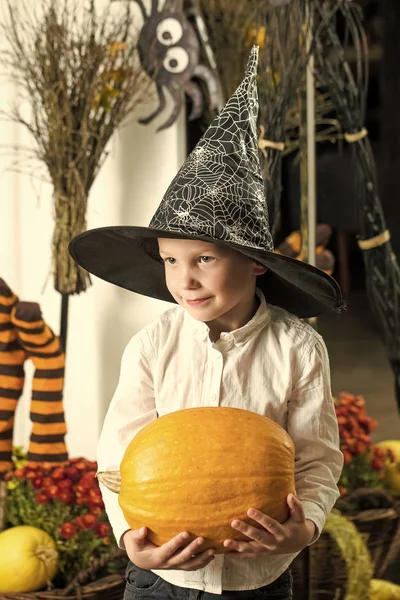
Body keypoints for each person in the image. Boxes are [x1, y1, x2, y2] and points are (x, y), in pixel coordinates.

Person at [69, 46, 344, 600]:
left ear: (256, 263)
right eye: (171, 260)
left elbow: (317, 458)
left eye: (204, 260)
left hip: (260, 579)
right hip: (160, 577)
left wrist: (304, 525)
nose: (184, 280)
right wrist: (131, 539)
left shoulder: (299, 349)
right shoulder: (151, 347)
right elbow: (118, 463)